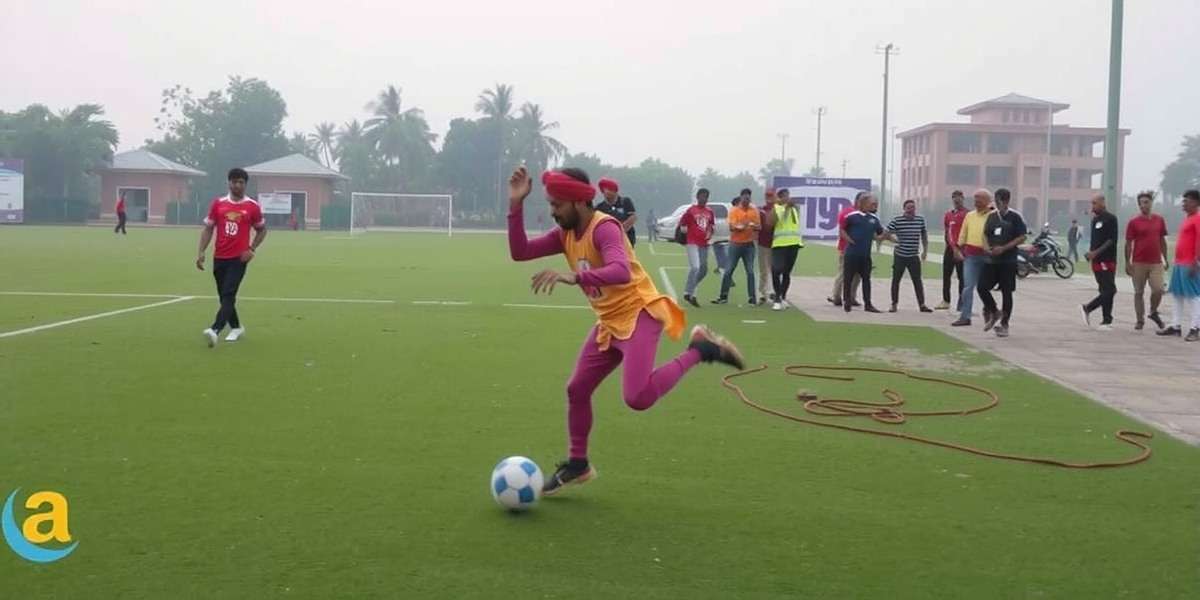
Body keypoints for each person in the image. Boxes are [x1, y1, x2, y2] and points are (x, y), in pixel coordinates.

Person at [505, 166, 744, 495]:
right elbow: (520, 252)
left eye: (557, 204)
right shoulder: (565, 235)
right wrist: (515, 205)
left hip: (639, 314)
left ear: (579, 202)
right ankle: (578, 464)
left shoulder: (605, 228)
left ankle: (700, 349)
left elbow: (619, 271)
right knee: (577, 389)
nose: (552, 211)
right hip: (609, 322)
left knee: (638, 397)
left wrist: (576, 277)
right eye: (550, 204)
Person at [196, 168, 267, 347]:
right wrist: (201, 251)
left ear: (245, 184)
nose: (237, 185)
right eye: (234, 181)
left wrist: (251, 249)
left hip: (239, 259)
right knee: (223, 295)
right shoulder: (218, 204)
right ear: (229, 183)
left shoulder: (252, 206)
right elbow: (208, 229)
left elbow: (262, 230)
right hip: (219, 257)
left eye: (241, 182)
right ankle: (236, 327)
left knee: (228, 293)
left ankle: (215, 329)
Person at [977, 188, 1026, 337]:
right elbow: (985, 234)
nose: (996, 204)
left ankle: (1004, 324)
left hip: (1007, 260)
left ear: (1005, 201)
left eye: (998, 201)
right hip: (991, 260)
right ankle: (994, 311)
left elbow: (1022, 237)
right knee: (982, 287)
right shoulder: (992, 216)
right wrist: (986, 248)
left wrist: (1004, 248)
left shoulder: (1015, 217)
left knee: (1006, 292)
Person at [1157, 189, 1200, 341]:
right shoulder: (1187, 219)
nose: (1183, 203)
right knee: (1177, 294)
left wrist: (1197, 262)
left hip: (1190, 263)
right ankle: (1176, 326)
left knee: (1193, 295)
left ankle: (1196, 328)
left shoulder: (1197, 219)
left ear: (1195, 202)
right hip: (1179, 263)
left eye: (1186, 200)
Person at [1124, 191, 1169, 331]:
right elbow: (1128, 243)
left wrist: (1166, 258)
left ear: (1151, 203)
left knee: (1158, 289)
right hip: (1139, 262)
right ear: (1138, 205)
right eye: (1141, 203)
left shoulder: (1159, 220)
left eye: (1146, 202)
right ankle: (1139, 320)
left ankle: (1153, 311)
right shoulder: (1133, 222)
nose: (1144, 205)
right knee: (1139, 292)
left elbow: (1162, 240)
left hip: (1156, 262)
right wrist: (1127, 262)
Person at [951, 189, 995, 327]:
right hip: (971, 256)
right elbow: (963, 234)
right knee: (967, 287)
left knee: (984, 287)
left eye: (980, 199)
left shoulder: (993, 215)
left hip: (988, 256)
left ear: (988, 201)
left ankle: (988, 309)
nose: (976, 201)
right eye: (975, 199)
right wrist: (957, 249)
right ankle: (965, 316)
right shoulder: (970, 216)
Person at [840, 193, 886, 313]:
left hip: (865, 255)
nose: (875, 206)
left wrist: (887, 237)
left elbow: (879, 234)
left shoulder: (874, 219)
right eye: (872, 204)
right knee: (848, 279)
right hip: (851, 254)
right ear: (863, 203)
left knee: (866, 279)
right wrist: (848, 239)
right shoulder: (851, 216)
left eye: (875, 204)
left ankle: (868, 304)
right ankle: (847, 302)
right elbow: (842, 229)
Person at [713, 189, 761, 305]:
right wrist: (743, 226)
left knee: (750, 271)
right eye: (744, 198)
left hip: (749, 244)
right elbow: (732, 227)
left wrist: (752, 226)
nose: (746, 200)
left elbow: (759, 226)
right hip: (736, 243)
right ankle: (723, 296)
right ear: (741, 198)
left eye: (748, 198)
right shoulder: (734, 210)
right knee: (729, 270)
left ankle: (752, 297)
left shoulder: (753, 211)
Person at [885, 199, 932, 313]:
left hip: (913, 256)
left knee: (917, 280)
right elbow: (886, 232)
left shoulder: (920, 220)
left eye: (913, 208)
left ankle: (922, 304)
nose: (911, 210)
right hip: (900, 255)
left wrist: (925, 251)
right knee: (896, 280)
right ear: (904, 209)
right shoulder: (897, 220)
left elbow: (924, 235)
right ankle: (894, 304)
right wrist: (893, 240)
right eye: (909, 208)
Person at [1081, 194, 1119, 331]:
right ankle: (1101, 316)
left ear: (1103, 203)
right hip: (1096, 261)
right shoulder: (1095, 220)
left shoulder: (1111, 219)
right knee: (1106, 289)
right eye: (1092, 204)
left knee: (1109, 290)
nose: (1092, 207)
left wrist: (1096, 252)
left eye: (1095, 203)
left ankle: (1102, 316)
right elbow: (1095, 240)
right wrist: (1090, 253)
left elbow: (1111, 240)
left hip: (1108, 259)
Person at [765, 188, 804, 310]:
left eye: (788, 196)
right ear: (779, 198)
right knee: (776, 270)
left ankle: (783, 297)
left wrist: (790, 207)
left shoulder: (794, 208)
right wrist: (784, 207)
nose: (787, 198)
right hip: (780, 243)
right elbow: (770, 223)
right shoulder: (776, 208)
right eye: (784, 196)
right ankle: (777, 297)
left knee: (787, 272)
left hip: (794, 243)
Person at [827, 192, 863, 308]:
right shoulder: (847, 213)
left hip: (861, 249)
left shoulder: (865, 214)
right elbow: (842, 230)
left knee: (858, 274)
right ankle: (836, 296)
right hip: (847, 248)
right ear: (858, 201)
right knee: (843, 272)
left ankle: (852, 297)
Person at [681, 188, 715, 307]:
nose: (704, 199)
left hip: (704, 243)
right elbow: (683, 224)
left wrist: (710, 233)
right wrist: (685, 232)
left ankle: (690, 290)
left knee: (704, 269)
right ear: (698, 197)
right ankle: (689, 293)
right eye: (702, 196)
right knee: (695, 267)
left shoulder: (709, 211)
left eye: (706, 196)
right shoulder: (691, 210)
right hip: (692, 242)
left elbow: (711, 226)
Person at [937, 190, 967, 310]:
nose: (957, 200)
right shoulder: (948, 215)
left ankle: (962, 302)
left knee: (962, 277)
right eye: (954, 198)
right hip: (950, 248)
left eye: (959, 198)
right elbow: (947, 230)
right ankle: (946, 300)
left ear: (962, 199)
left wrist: (961, 248)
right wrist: (949, 245)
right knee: (946, 275)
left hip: (962, 249)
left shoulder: (967, 214)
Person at [596, 177, 637, 247]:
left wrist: (620, 230)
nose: (606, 192)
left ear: (615, 191)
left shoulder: (625, 201)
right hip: (609, 241)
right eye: (604, 190)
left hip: (627, 239)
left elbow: (633, 217)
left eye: (609, 189)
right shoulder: (599, 207)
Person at [756, 189, 776, 304]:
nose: (769, 198)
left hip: (776, 244)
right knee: (763, 270)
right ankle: (762, 293)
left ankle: (773, 292)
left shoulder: (778, 209)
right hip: (763, 243)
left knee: (774, 269)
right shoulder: (761, 210)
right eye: (767, 196)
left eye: (771, 196)